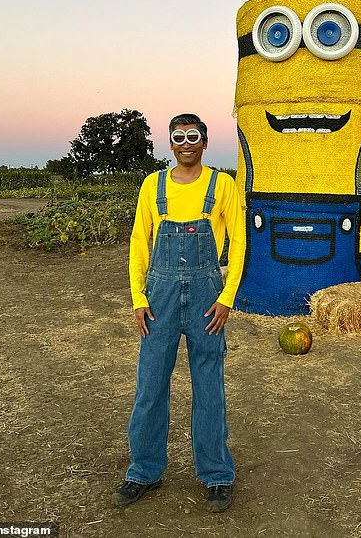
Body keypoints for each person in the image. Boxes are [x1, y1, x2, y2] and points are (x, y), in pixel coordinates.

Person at [113, 113, 245, 513]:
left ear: (205, 142)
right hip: (160, 300)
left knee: (209, 387)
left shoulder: (222, 185)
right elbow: (139, 241)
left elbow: (239, 243)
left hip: (208, 298)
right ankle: (143, 471)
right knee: (150, 386)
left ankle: (217, 475)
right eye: (178, 136)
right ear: (170, 143)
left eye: (193, 136)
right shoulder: (151, 186)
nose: (186, 142)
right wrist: (138, 297)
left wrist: (227, 298)